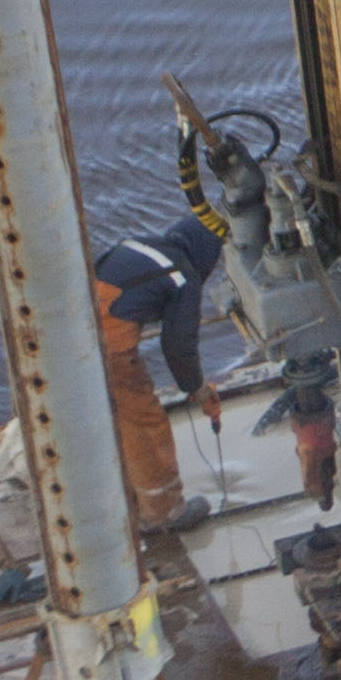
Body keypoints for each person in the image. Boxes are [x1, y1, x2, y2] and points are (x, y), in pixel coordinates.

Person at [91, 201, 224, 527]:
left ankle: (126, 501)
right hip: (108, 344)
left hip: (77, 330)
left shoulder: (139, 244)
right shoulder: (182, 276)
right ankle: (164, 510)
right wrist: (197, 389)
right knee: (144, 421)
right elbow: (178, 347)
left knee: (110, 421)